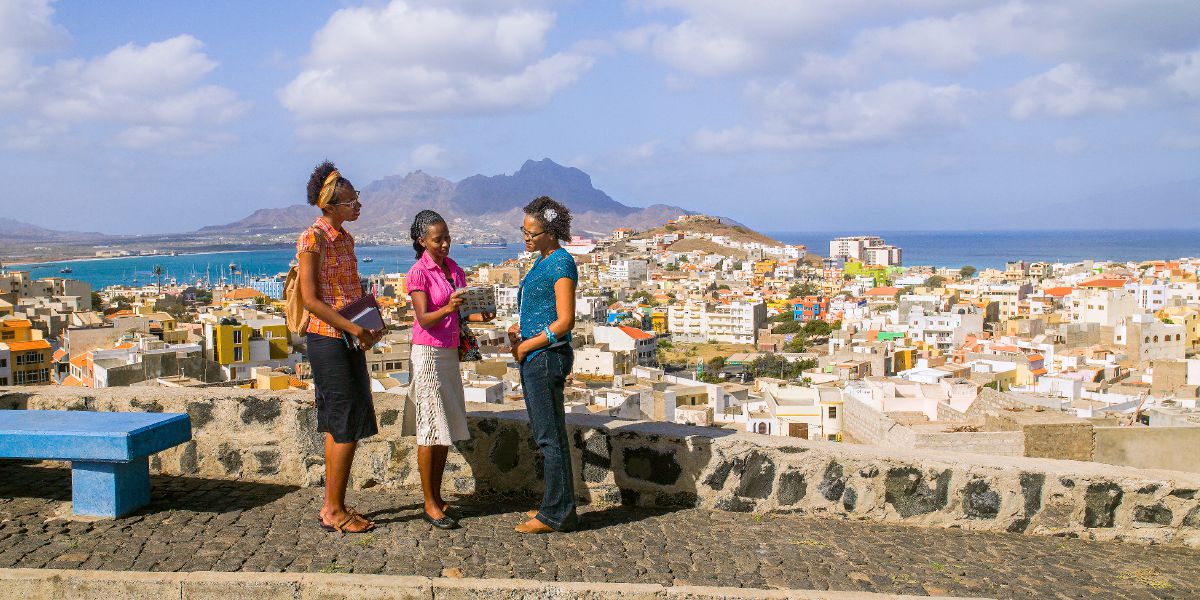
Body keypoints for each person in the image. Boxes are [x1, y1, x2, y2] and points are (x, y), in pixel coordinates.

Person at [298, 161, 382, 534]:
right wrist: (353, 327)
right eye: (351, 202)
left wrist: (370, 319)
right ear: (329, 206)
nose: (357, 206)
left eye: (357, 199)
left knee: (342, 423)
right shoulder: (312, 239)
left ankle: (335, 504)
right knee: (343, 424)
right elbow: (312, 300)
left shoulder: (345, 239)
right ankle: (333, 510)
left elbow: (348, 292)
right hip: (328, 339)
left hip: (349, 336)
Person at [406, 210, 495, 530]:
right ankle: (429, 502)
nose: (445, 244)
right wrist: (449, 307)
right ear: (422, 241)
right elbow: (425, 318)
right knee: (430, 427)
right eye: (437, 239)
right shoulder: (418, 273)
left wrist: (477, 316)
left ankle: (438, 495)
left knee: (443, 426)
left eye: (447, 237)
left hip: (449, 353)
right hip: (429, 353)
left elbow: (458, 316)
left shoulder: (454, 269)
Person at [511, 196, 578, 534]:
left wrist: (528, 344)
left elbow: (565, 321)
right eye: (524, 232)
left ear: (551, 233)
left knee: (549, 437)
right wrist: (519, 331)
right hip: (536, 355)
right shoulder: (542, 261)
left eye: (532, 234)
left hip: (546, 358)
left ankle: (557, 512)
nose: (526, 238)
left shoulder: (561, 263)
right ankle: (558, 507)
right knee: (546, 434)